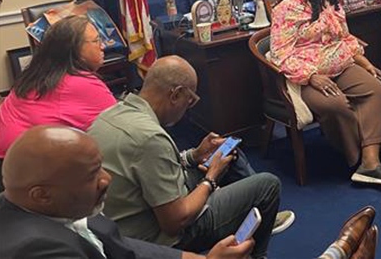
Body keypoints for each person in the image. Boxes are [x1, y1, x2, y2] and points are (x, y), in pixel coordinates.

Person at [88, 56, 294, 257]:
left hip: (126, 222)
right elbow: (175, 222)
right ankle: (257, 245)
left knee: (228, 153)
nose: (188, 109)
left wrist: (193, 156)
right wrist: (210, 179)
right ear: (176, 95)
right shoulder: (150, 137)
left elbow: (146, 167)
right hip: (157, 238)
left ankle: (261, 214)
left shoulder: (109, 115)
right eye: (190, 100)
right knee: (268, 185)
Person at [0, 126, 252, 259]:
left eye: (101, 168)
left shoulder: (61, 206)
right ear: (41, 195)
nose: (107, 180)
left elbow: (124, 248)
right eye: (92, 175)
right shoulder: (36, 250)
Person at [269, 0, 381, 186]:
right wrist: (311, 77)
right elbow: (280, 54)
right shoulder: (286, 9)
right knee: (336, 105)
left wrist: (366, 64)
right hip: (308, 77)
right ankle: (362, 157)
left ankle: (370, 162)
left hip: (342, 65)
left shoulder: (329, 0)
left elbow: (345, 37)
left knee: (375, 88)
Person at [0, 15, 117, 192]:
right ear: (74, 50)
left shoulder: (34, 74)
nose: (103, 45)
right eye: (96, 40)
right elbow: (122, 127)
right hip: (27, 177)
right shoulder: (82, 85)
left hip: (6, 166)